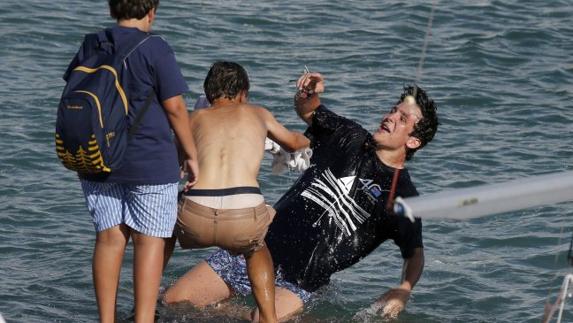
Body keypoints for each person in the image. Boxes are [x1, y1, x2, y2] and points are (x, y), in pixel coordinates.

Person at [163, 71, 438, 321]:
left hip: (302, 282)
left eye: (402, 119)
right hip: (255, 248)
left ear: (413, 142)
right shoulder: (348, 135)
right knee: (172, 302)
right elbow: (308, 111)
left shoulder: (403, 196)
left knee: (253, 320)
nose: (390, 117)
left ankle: (226, 313)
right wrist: (308, 93)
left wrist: (403, 289)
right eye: (393, 110)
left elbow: (414, 254)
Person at [63, 1, 198, 322]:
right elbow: (176, 108)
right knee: (148, 241)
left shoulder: (91, 43)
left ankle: (106, 320)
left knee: (109, 239)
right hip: (149, 160)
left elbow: (73, 90)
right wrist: (191, 154)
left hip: (97, 158)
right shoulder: (156, 48)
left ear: (112, 9)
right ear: (151, 10)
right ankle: (143, 319)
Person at [168, 61, 309, 323]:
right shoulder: (258, 114)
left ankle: (145, 300)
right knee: (257, 251)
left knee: (163, 231)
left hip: (194, 217)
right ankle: (267, 317)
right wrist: (310, 139)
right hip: (243, 218)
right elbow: (292, 142)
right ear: (243, 94)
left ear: (208, 94)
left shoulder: (194, 118)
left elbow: (174, 162)